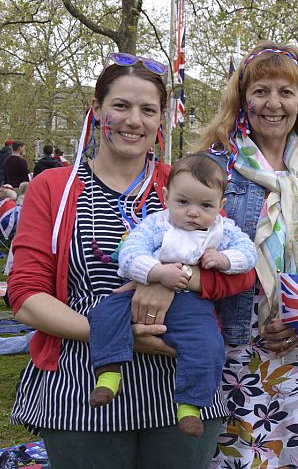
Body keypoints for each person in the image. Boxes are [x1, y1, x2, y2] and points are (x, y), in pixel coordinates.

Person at [7, 52, 255, 468]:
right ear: (98, 110)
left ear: (162, 120)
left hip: (178, 385)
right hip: (81, 383)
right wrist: (116, 334)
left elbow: (238, 274)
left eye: (147, 110)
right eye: (120, 106)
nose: (133, 120)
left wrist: (171, 277)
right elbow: (26, 296)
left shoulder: (183, 184)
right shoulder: (54, 187)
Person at [197, 42, 298, 469]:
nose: (273, 103)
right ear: (242, 97)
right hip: (238, 343)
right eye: (261, 90)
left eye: (286, 92)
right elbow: (188, 245)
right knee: (240, 456)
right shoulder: (212, 167)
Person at [87, 154, 257, 438]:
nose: (193, 212)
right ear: (167, 197)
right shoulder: (157, 224)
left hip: (191, 303)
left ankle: (190, 406)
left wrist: (225, 259)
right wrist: (156, 273)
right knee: (104, 313)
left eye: (205, 205)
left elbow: (248, 254)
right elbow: (130, 254)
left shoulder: (222, 230)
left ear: (220, 206)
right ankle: (108, 373)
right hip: (139, 290)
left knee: (209, 344)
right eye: (183, 202)